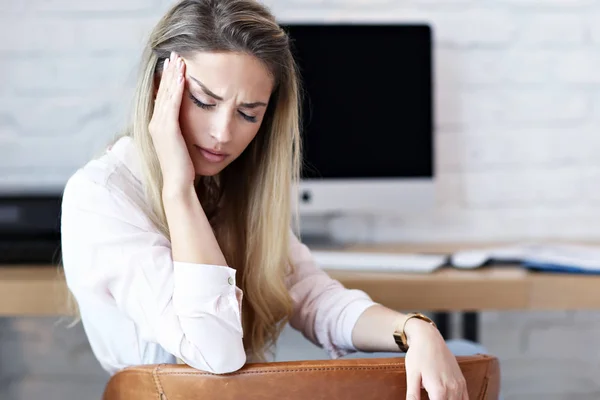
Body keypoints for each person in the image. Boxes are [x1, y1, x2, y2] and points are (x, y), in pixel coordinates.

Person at [60, 0, 486, 399]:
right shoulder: (101, 195)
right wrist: (178, 187)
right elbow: (215, 353)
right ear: (160, 90)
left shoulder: (231, 188)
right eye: (203, 101)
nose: (224, 133)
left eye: (249, 113)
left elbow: (316, 298)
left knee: (457, 354)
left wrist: (414, 329)